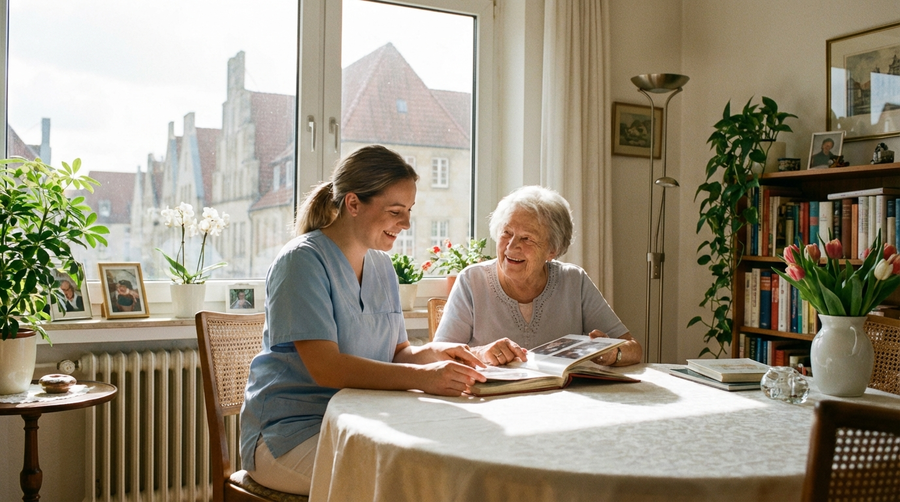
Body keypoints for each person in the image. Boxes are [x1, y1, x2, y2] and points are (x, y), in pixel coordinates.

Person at [239, 144, 485, 496]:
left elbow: (397, 353)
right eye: (396, 211)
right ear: (353, 204)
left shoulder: (383, 267)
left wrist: (437, 352)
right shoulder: (301, 262)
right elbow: (327, 368)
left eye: (410, 211)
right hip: (291, 434)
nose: (407, 223)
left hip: (360, 424)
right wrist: (424, 378)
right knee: (404, 484)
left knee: (442, 467)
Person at [433, 185, 642, 367]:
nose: (512, 246)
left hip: (562, 402)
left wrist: (613, 354)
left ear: (552, 249)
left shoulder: (574, 281)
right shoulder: (472, 281)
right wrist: (480, 352)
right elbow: (438, 356)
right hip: (494, 403)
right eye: (506, 233)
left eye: (527, 238)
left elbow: (633, 349)